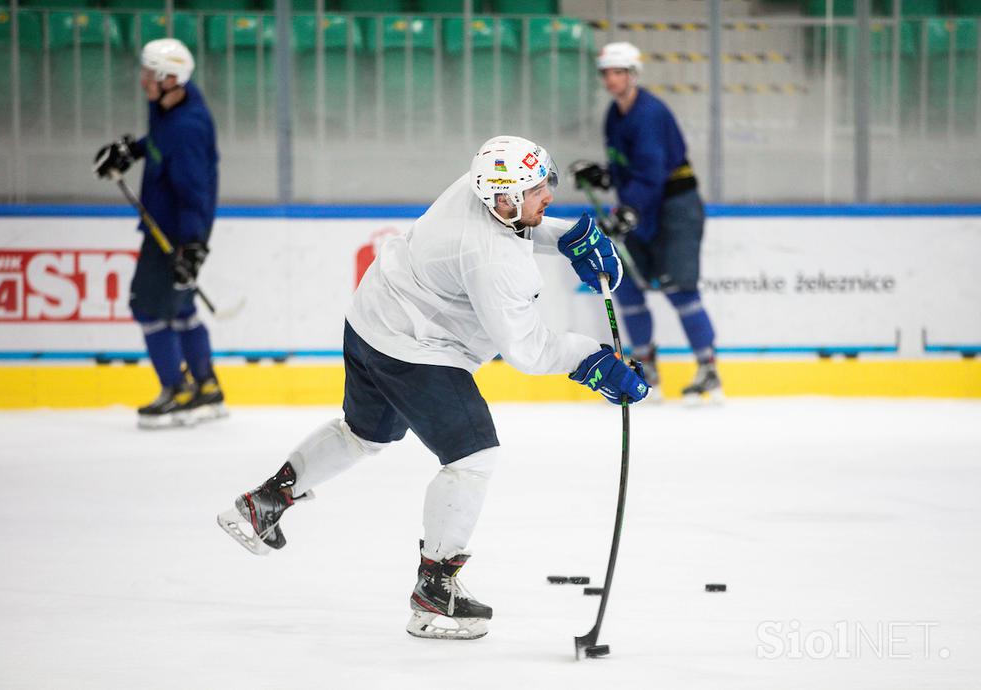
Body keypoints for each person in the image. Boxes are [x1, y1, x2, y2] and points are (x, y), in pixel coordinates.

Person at [217, 135, 649, 640]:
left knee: (364, 435)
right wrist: (594, 361)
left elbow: (517, 224)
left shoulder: (479, 183)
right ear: (504, 199)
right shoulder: (491, 259)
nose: (547, 195)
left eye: (544, 182)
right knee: (473, 457)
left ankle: (263, 504)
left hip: (371, 319)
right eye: (536, 191)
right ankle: (435, 595)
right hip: (414, 348)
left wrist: (568, 236)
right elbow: (527, 351)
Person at [570, 41, 723, 402]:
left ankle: (709, 370)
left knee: (679, 288)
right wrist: (607, 178)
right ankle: (647, 366)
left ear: (633, 75)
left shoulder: (649, 113)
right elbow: (633, 168)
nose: (611, 79)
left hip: (674, 208)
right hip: (640, 206)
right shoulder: (615, 113)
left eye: (618, 72)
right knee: (625, 284)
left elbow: (653, 173)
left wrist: (629, 208)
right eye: (606, 73)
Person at [93, 38, 225, 428]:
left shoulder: (188, 127)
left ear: (170, 79)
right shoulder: (170, 104)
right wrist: (132, 151)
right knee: (180, 308)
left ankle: (176, 389)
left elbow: (194, 191)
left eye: (150, 73)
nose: (143, 79)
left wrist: (193, 246)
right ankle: (207, 388)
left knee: (148, 308)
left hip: (174, 234)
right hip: (170, 226)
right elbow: (159, 143)